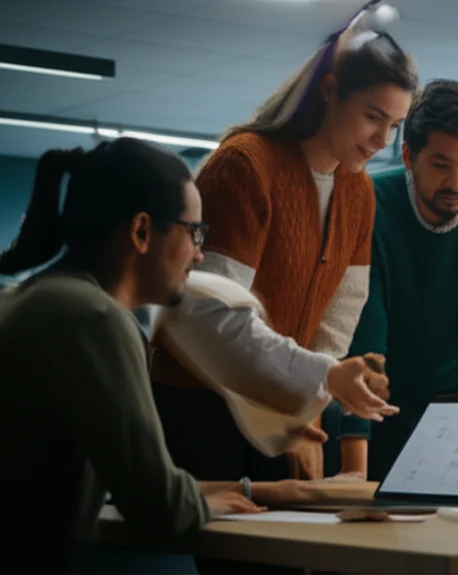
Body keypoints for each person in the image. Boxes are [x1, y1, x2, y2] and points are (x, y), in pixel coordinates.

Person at [150, 1, 418, 484]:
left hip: (280, 405)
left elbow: (337, 322)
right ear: (331, 91)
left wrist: (304, 416)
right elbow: (213, 319)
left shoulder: (358, 190)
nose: (382, 139)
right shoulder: (246, 166)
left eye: (394, 125)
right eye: (373, 116)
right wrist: (308, 390)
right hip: (202, 400)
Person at [0, 140, 270, 573]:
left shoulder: (27, 299)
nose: (199, 253)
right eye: (195, 232)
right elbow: (158, 505)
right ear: (142, 231)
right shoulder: (92, 316)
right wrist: (200, 500)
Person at [345, 79, 458, 480]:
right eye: (441, 165)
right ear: (409, 155)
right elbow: (363, 335)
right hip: (360, 411)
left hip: (443, 413)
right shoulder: (366, 200)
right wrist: (352, 470)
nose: (457, 184)